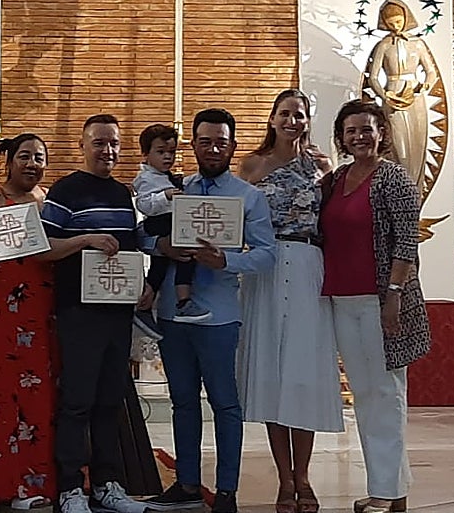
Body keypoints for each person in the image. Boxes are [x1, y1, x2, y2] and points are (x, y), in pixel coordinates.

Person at [148, 108, 275, 513]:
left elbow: (267, 255)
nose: (213, 148)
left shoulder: (248, 196)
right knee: (182, 401)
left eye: (221, 141)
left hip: (219, 314)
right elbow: (141, 232)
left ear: (233, 146)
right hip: (172, 310)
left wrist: (228, 262)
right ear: (194, 145)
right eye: (205, 141)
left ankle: (226, 490)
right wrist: (160, 247)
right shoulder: (176, 189)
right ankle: (186, 481)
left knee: (224, 403)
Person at [319, 100, 430, 513]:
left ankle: (386, 493)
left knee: (384, 396)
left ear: (381, 131)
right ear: (341, 137)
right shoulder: (336, 180)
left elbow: (406, 241)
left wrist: (394, 295)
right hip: (343, 298)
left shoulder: (395, 178)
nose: (359, 137)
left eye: (367, 129)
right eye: (351, 131)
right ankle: (390, 488)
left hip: (380, 299)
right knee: (367, 396)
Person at [236, 91, 344, 513]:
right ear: (272, 119)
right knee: (271, 373)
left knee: (303, 373)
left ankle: (304, 475)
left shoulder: (321, 167)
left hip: (307, 267)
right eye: (284, 114)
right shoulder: (252, 165)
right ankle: (284, 479)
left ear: (307, 120)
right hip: (263, 268)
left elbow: (332, 224)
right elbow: (233, 217)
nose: (292, 121)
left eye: (299, 115)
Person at [40, 114, 151, 513]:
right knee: (77, 400)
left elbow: (134, 247)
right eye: (100, 143)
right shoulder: (66, 190)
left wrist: (146, 283)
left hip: (116, 312)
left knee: (109, 399)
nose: (108, 151)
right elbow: (42, 246)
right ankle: (70, 486)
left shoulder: (124, 194)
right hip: (78, 311)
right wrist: (84, 239)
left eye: (115, 144)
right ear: (83, 146)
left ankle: (107, 483)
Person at [0, 133, 57, 508]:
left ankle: (33, 483)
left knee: (39, 395)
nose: (32, 163)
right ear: (8, 161)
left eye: (39, 157)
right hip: (0, 306)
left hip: (41, 306)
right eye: (24, 156)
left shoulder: (48, 200)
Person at [361, 0, 443, 193]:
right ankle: (399, 193)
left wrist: (423, 87)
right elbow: (372, 77)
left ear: (406, 18)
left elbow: (431, 71)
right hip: (392, 96)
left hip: (415, 97)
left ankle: (415, 196)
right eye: (390, 24)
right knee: (399, 147)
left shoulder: (418, 44)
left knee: (418, 144)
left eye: (398, 22)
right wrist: (385, 95)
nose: (395, 27)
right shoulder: (384, 45)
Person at [131, 123, 209, 322]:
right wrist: (164, 197)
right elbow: (144, 205)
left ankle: (146, 304)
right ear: (145, 153)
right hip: (159, 223)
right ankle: (183, 300)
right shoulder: (146, 178)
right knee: (185, 253)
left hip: (169, 223)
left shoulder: (167, 177)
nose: (167, 157)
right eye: (161, 152)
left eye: (172, 152)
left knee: (161, 267)